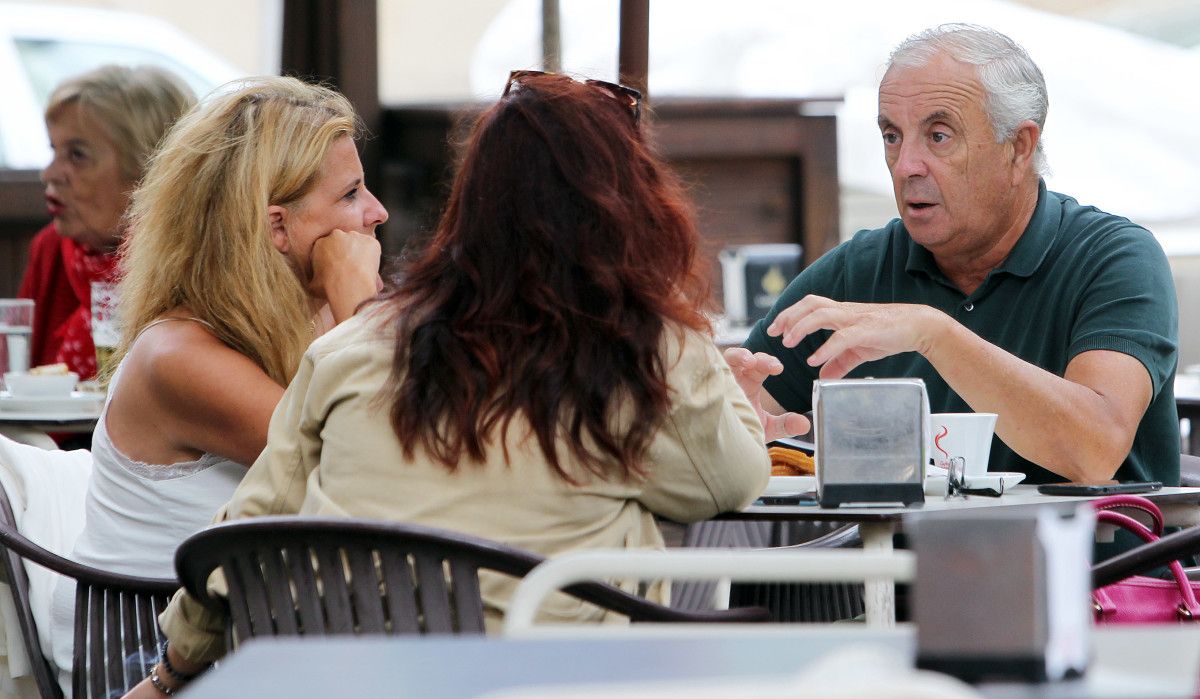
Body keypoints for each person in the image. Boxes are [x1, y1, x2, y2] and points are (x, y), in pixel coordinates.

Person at [126, 71, 771, 696]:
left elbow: (246, 531)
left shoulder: (347, 351)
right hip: (561, 683)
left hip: (355, 687)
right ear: (636, 210)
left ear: (470, 205)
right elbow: (734, 482)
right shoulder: (646, 353)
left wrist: (170, 673)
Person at [733, 23, 1179, 488]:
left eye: (939, 136)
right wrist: (726, 421)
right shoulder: (861, 268)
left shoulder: (1114, 257)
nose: (906, 166)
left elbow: (1092, 450)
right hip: (900, 560)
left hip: (1092, 560)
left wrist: (934, 335)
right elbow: (738, 413)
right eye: (892, 136)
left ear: (1018, 148)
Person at [50, 76, 386, 692]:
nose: (377, 213)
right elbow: (367, 465)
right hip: (147, 657)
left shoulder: (296, 324)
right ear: (278, 228)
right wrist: (360, 312)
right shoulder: (178, 358)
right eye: (352, 193)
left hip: (246, 636)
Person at [18, 65, 195, 379]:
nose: (50, 174)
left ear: (148, 168)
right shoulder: (52, 248)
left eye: (77, 155)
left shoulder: (193, 263)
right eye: (54, 150)